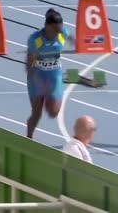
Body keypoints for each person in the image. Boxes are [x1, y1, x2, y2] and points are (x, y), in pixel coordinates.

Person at [26, 8, 73, 139]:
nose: (58, 31)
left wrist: (74, 40)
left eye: (60, 28)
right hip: (37, 77)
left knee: (53, 112)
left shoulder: (63, 33)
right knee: (36, 114)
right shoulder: (36, 39)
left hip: (54, 77)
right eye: (55, 29)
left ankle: (49, 98)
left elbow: (69, 35)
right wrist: (35, 80)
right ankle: (29, 137)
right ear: (47, 27)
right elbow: (29, 64)